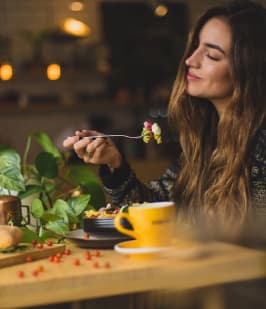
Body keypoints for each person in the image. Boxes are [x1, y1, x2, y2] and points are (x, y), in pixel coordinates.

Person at [63, 0, 266, 238]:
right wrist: (114, 163)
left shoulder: (261, 144)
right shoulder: (206, 139)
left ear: (249, 68)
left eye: (211, 55)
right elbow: (157, 206)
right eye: (196, 46)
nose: (191, 60)